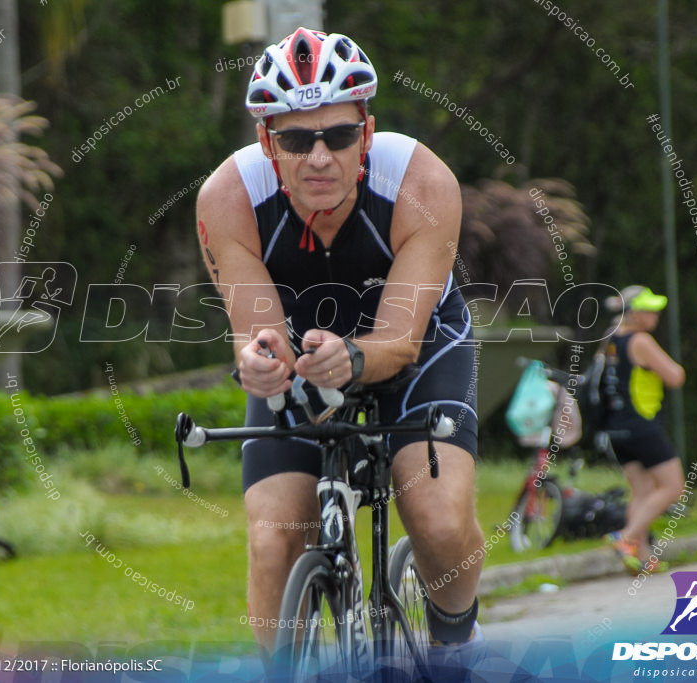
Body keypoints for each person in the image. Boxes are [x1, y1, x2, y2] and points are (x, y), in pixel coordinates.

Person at [195, 27, 482, 666]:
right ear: (269, 142)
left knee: (436, 519)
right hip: (304, 358)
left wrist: (353, 359)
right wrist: (260, 364)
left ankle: (457, 642)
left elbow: (399, 342)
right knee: (274, 542)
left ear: (367, 133)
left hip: (417, 345)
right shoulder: (228, 197)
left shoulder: (422, 183)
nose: (319, 156)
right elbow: (259, 333)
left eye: (339, 135)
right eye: (297, 138)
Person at [599, 286, 686, 574]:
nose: (655, 315)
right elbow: (675, 376)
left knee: (643, 491)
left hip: (617, 429)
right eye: (649, 309)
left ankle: (643, 558)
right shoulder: (640, 340)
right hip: (642, 426)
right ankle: (626, 537)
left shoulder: (612, 339)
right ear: (634, 313)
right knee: (674, 487)